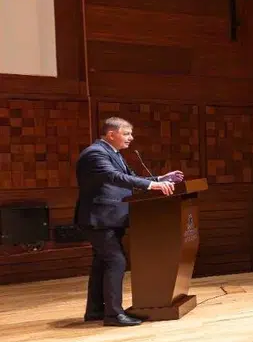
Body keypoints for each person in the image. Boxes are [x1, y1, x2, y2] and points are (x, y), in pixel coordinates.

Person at [74, 117, 183, 326]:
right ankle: (114, 315)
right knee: (116, 261)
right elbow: (114, 177)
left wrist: (160, 179)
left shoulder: (114, 154)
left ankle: (95, 311)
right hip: (99, 218)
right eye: (126, 133)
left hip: (110, 218)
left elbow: (129, 177)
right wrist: (152, 187)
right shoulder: (95, 153)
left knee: (102, 263)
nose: (131, 138)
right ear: (111, 134)